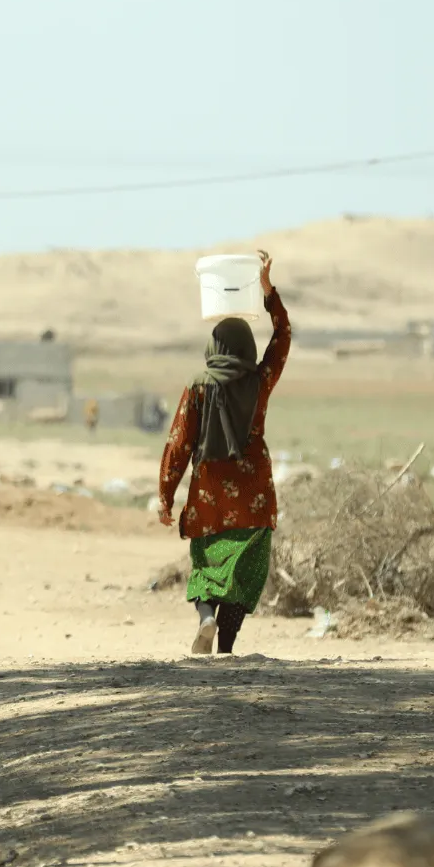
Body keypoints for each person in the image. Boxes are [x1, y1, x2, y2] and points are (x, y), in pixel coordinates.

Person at [156, 250, 291, 655]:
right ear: (248, 347)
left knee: (205, 566)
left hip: (210, 494)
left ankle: (206, 619)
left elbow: (179, 442)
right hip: (253, 493)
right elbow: (282, 339)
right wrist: (268, 294)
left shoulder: (198, 384)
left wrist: (165, 495)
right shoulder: (260, 379)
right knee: (244, 571)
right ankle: (227, 647)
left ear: (214, 346)